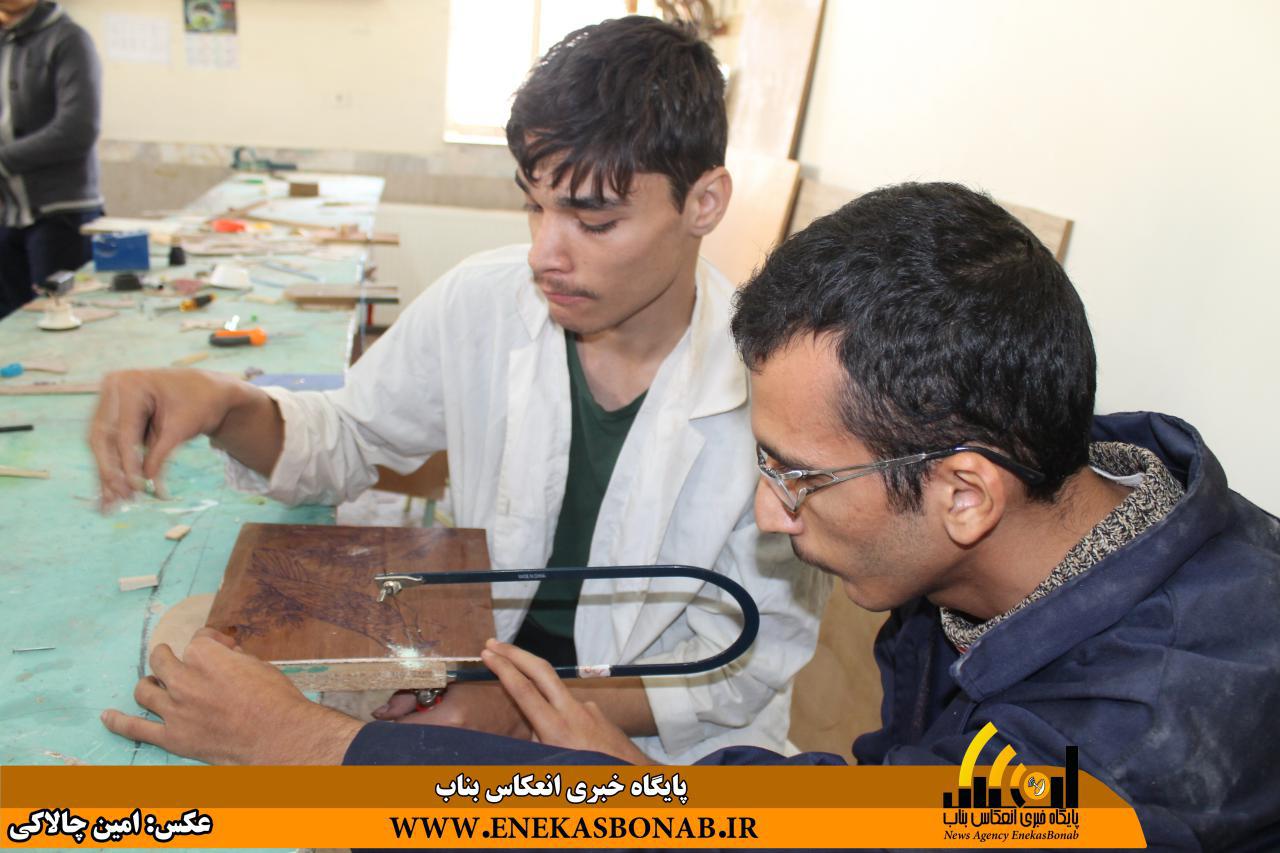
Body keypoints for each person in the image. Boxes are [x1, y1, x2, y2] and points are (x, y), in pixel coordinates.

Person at [103, 182, 1280, 851]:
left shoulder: (1123, 761)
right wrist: (644, 784)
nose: (768, 513)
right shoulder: (1054, 507)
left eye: (796, 478)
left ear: (962, 491)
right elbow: (871, 799)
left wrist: (309, 746)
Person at [91, 16, 825, 764]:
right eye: (535, 205)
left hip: (656, 750)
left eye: (595, 221)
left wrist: (513, 705)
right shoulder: (483, 302)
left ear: (704, 202)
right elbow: (350, 435)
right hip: (477, 679)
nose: (544, 254)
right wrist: (225, 404)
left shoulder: (774, 388)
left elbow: (741, 664)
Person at [0, 0, 102, 319]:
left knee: (60, 318)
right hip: (8, 213)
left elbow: (76, 130)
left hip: (60, 216)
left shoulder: (67, 38)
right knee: (10, 327)